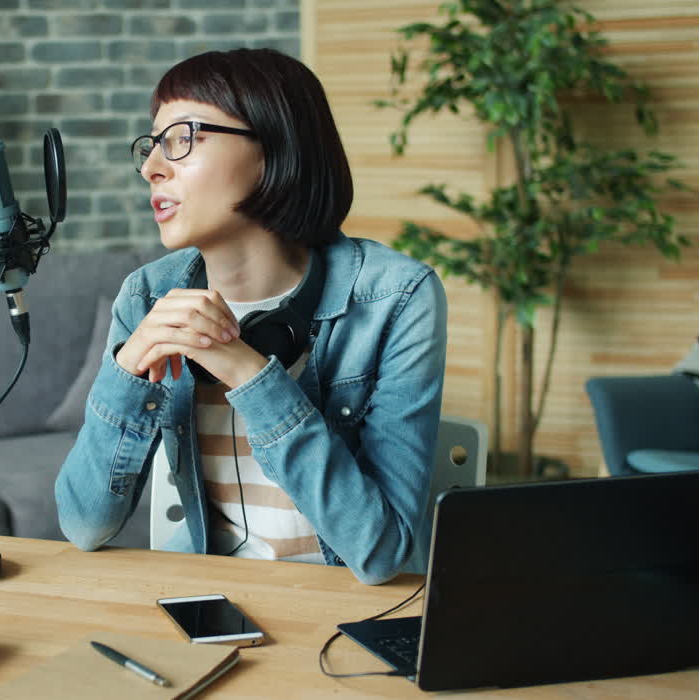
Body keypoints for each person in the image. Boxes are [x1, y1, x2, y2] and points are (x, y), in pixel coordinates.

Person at [54, 48, 448, 585]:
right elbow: (83, 527)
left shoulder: (397, 297)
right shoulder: (148, 295)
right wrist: (126, 376)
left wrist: (246, 371)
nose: (151, 168)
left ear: (274, 149)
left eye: (183, 138)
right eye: (152, 145)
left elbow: (380, 553)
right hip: (206, 592)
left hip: (338, 603)